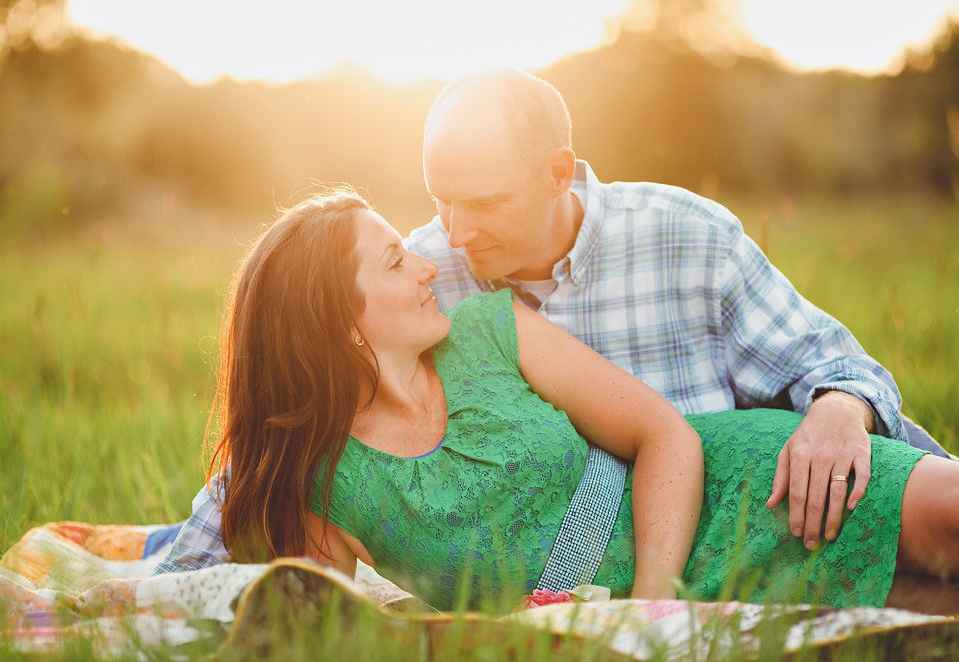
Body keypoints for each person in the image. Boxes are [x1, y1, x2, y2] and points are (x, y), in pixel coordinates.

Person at [158, 192, 958, 615]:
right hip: (699, 598)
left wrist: (648, 613)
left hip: (736, 486)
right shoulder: (320, 486)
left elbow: (665, 434)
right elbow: (317, 627)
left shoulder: (492, 330)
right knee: (933, 607)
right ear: (337, 320)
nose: (430, 266)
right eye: (397, 261)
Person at [404, 68, 954, 555]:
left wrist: (839, 409)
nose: (455, 232)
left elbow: (835, 367)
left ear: (557, 173)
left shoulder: (687, 236)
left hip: (760, 526)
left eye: (483, 203)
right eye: (440, 200)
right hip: (577, 569)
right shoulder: (418, 279)